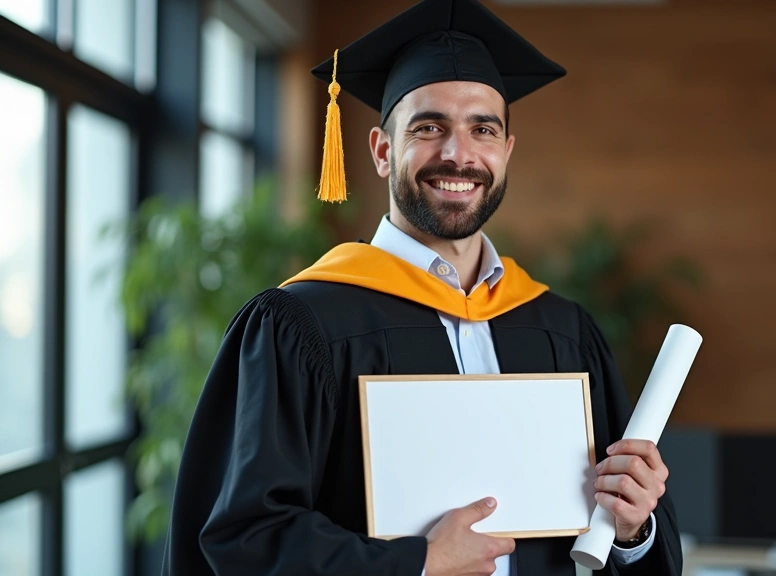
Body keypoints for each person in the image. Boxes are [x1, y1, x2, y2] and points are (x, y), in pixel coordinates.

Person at [161, 0, 683, 575]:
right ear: (384, 152)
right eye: (429, 127)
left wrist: (633, 529)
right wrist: (417, 564)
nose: (459, 154)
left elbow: (620, 545)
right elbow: (246, 538)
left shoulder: (562, 329)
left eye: (482, 129)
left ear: (506, 152)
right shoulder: (302, 325)